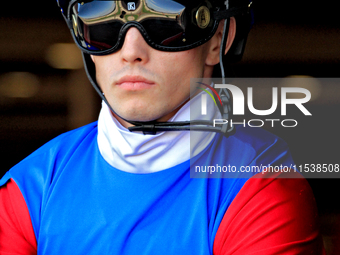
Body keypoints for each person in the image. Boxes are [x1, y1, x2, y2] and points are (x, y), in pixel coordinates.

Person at [0, 0, 325, 254]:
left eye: (165, 21)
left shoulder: (263, 185)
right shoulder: (28, 190)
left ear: (217, 40)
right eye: (102, 23)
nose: (131, 53)